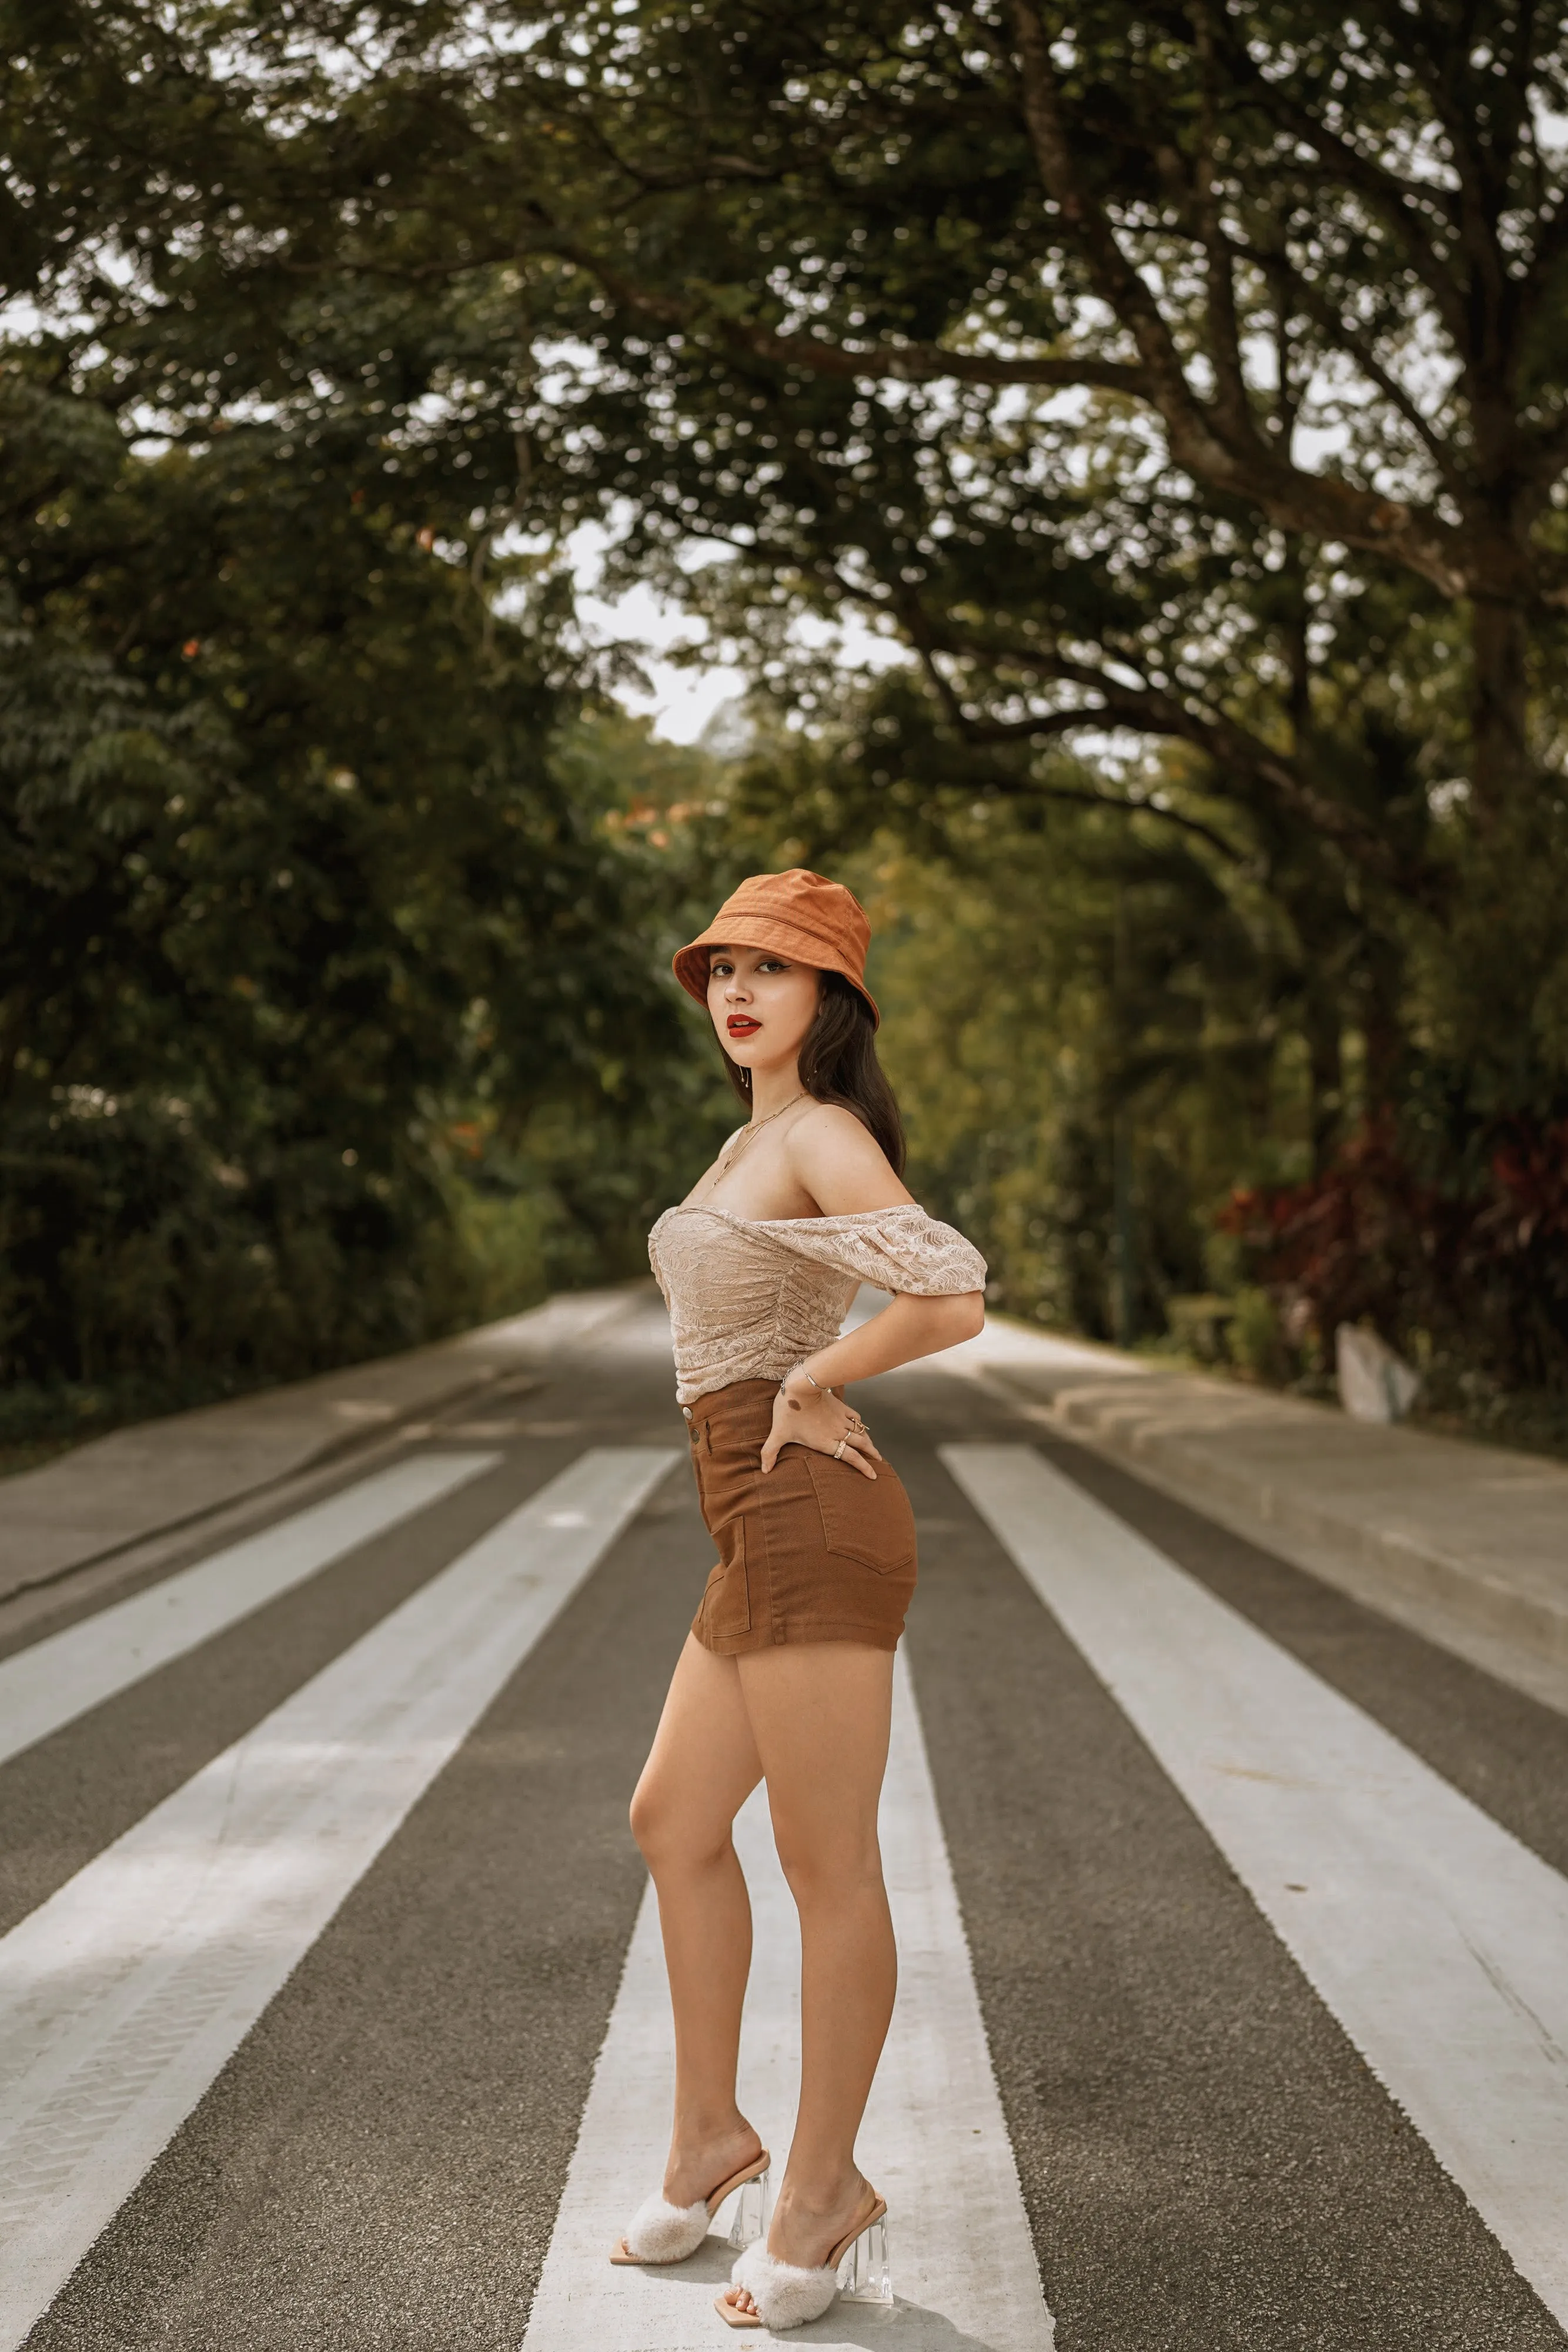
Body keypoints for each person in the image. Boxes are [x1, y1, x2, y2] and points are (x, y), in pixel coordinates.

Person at [611, 868, 987, 2332]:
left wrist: (819, 1376)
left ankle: (819, 2190)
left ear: (831, 997)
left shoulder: (821, 1133)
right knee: (672, 1818)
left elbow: (948, 1296)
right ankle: (712, 2136)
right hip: (748, 1515)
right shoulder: (747, 1138)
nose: (738, 992)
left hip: (808, 1512)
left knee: (823, 1860)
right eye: (721, 968)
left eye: (773, 968)